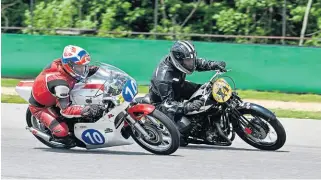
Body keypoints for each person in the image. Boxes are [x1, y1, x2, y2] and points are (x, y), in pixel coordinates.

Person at [148, 40, 227, 145]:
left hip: (178, 87)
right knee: (183, 131)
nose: (191, 64)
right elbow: (167, 104)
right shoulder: (163, 78)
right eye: (188, 61)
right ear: (178, 61)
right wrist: (188, 106)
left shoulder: (181, 62)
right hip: (163, 104)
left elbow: (196, 63)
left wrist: (213, 65)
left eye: (191, 59)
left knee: (208, 91)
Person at [28, 45, 104, 147]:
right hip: (42, 107)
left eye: (84, 67)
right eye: (80, 68)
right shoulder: (61, 86)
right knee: (63, 132)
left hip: (52, 91)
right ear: (69, 66)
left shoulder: (64, 64)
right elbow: (66, 110)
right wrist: (86, 110)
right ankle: (58, 138)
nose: (83, 70)